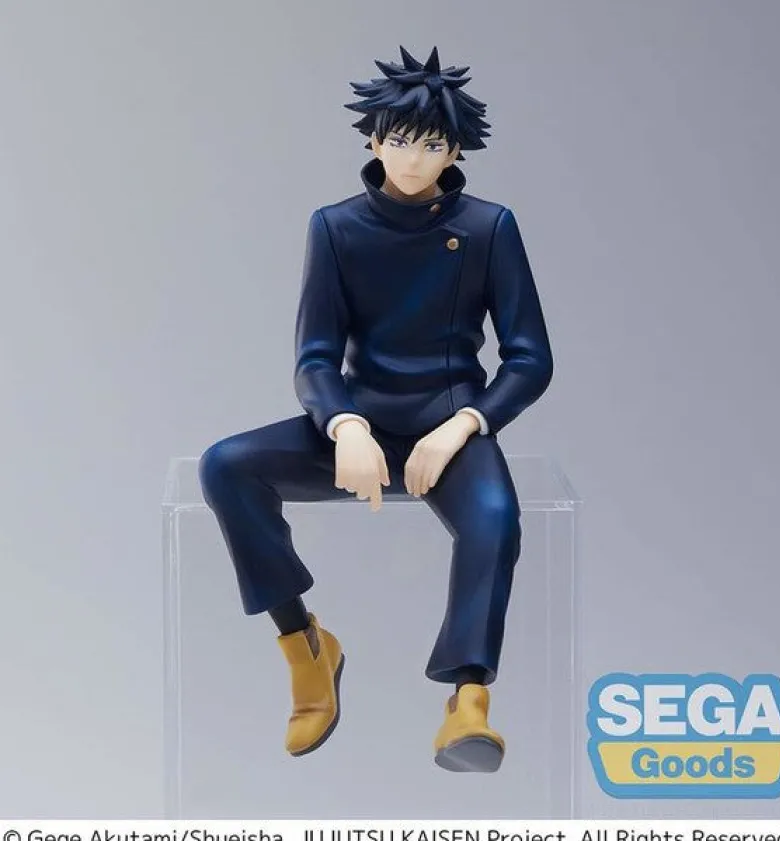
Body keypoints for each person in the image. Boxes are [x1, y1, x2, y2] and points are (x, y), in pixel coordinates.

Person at [199, 45, 554, 773]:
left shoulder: (489, 227)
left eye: (432, 145)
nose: (414, 159)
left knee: (495, 520)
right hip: (360, 425)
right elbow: (315, 356)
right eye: (400, 140)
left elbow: (529, 357)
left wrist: (464, 425)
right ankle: (306, 647)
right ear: (373, 141)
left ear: (456, 150)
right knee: (226, 466)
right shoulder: (335, 226)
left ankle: (468, 699)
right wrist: (345, 424)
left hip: (450, 428)